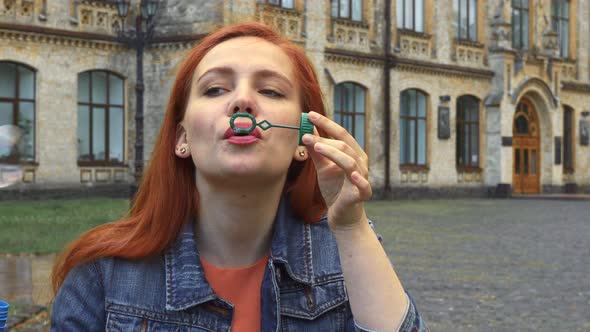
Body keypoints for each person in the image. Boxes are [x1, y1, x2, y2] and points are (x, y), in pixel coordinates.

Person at [50, 22, 428, 331]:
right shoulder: (100, 275)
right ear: (182, 139)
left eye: (270, 89)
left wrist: (351, 226)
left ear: (304, 141)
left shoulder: (346, 257)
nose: (242, 101)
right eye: (215, 88)